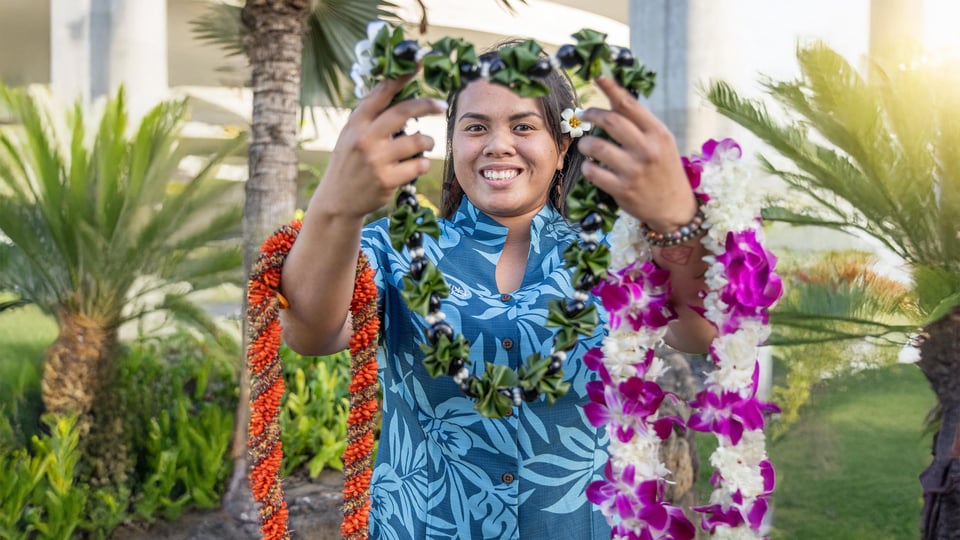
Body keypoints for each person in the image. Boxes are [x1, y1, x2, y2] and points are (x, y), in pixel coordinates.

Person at [278, 46, 716, 539]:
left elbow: (702, 332)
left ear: (562, 147)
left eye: (524, 127)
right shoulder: (393, 249)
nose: (498, 145)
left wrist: (677, 221)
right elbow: (310, 331)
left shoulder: (620, 255)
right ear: (453, 141)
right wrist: (336, 205)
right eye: (476, 127)